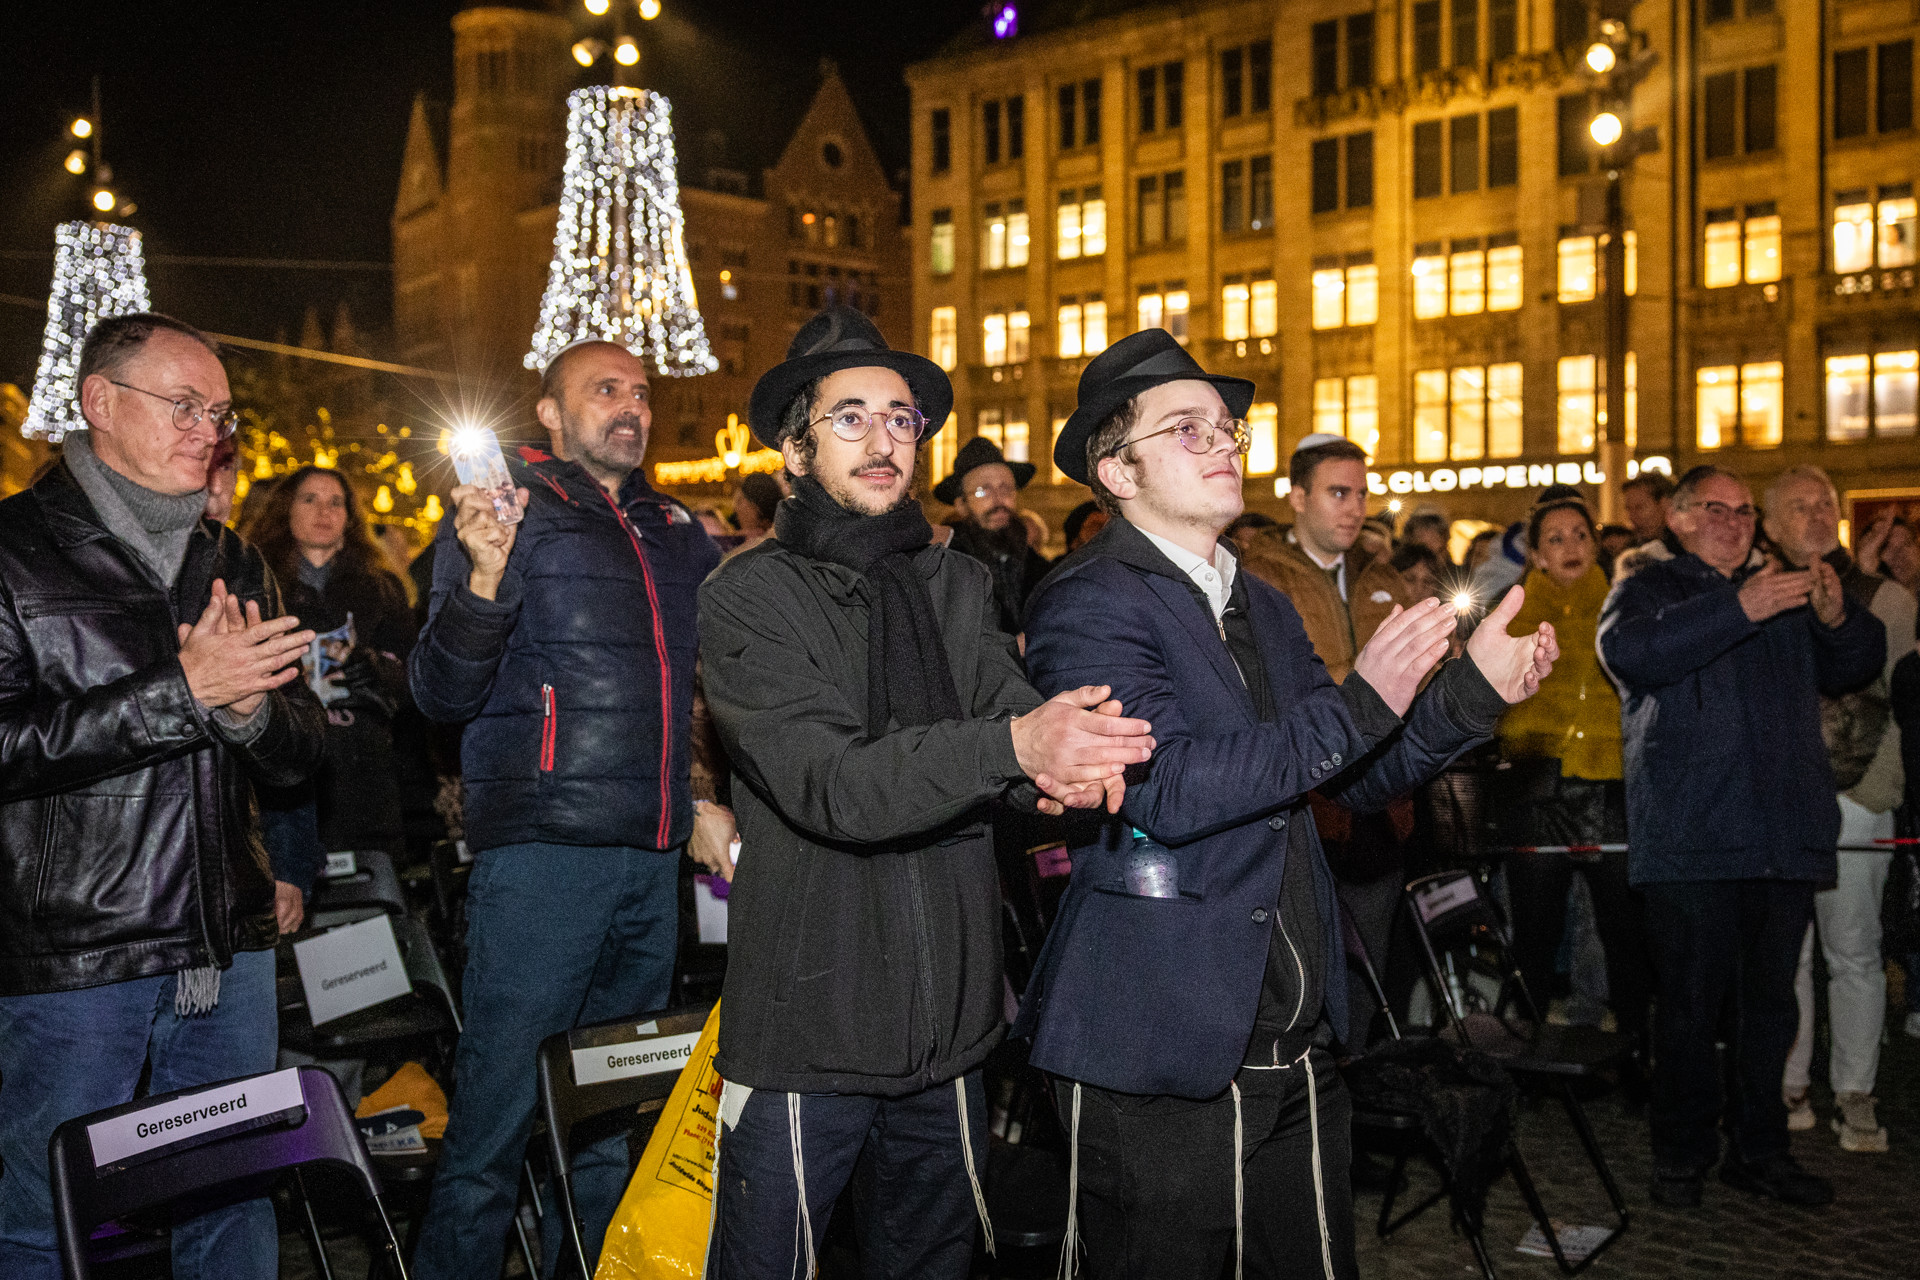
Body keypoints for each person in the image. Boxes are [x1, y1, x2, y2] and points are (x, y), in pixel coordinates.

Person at [1019, 329, 1557, 1280]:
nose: (1225, 442)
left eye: (1227, 426)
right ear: (1117, 469)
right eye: (1188, 429)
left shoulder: (1261, 604)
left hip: (1295, 1038)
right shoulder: (1089, 599)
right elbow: (1166, 790)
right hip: (1161, 1042)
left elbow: (1352, 778)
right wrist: (1361, 704)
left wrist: (1471, 694)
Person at [698, 307, 1156, 1279]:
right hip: (808, 1026)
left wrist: (1074, 758)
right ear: (793, 446)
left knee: (933, 1261)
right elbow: (834, 783)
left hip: (947, 1023)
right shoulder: (750, 593)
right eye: (850, 417)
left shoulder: (951, 584)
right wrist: (1016, 745)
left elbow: (1010, 724)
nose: (883, 440)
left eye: (901, 419)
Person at [0, 313, 325, 1279]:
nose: (207, 430)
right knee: (46, 1219)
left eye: (218, 412)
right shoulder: (14, 550)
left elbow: (299, 752)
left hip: (225, 943)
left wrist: (245, 715)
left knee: (230, 1209)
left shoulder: (229, 559)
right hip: (76, 953)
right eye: (183, 405)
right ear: (100, 402)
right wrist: (182, 695)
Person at [408, 338, 725, 1279]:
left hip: (650, 855)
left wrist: (697, 799)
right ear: (549, 412)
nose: (629, 406)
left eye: (639, 391)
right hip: (544, 856)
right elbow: (437, 692)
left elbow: (701, 691)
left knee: (608, 1116)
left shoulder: (675, 528)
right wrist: (483, 577)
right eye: (603, 390)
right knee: (496, 1119)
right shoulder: (504, 511)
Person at [1598, 464, 1884, 1209]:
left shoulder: (1785, 588)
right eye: (1715, 510)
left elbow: (1857, 665)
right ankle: (1682, 1158)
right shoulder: (1650, 586)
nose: (1734, 523)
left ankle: (1760, 1151)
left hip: (1780, 837)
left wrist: (1834, 618)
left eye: (1745, 512)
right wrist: (1739, 607)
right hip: (1694, 841)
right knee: (1691, 1010)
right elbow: (1632, 656)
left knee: (1770, 1013)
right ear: (1681, 519)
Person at [1241, 435, 1420, 1045]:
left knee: (1370, 964)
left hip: (1380, 800)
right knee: (1300, 970)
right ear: (1296, 497)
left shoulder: (1384, 576)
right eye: (1338, 492)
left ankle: (1363, 1096)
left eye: (1362, 493)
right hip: (1301, 802)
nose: (1354, 507)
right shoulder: (1255, 578)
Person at [1765, 466, 1913, 1153]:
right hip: (1778, 803)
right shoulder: (1757, 594)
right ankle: (1790, 1081)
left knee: (1853, 952)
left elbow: (1904, 702)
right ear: (1769, 523)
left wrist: (1872, 794)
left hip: (1854, 801)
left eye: (1826, 500)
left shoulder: (1884, 597)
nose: (1818, 511)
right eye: (1800, 505)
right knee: (1786, 955)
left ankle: (1856, 1089)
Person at [1493, 495, 1650, 1080]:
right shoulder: (1509, 613)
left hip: (1609, 783)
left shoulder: (1624, 602)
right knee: (1534, 934)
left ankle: (1636, 1055)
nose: (1571, 548)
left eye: (1579, 535)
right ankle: (1526, 1061)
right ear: (1534, 553)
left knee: (1622, 930)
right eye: (1554, 538)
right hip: (1538, 784)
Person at [243, 466, 417, 857]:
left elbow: (416, 677)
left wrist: (373, 667)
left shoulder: (381, 588)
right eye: (310, 499)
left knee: (372, 905)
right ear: (286, 510)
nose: (325, 511)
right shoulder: (256, 587)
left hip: (366, 778)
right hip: (285, 783)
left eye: (336, 502)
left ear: (350, 517)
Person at [935, 434, 1051, 633]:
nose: (999, 501)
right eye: (983, 491)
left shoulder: (1039, 568)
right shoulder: (945, 569)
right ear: (961, 505)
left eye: (1006, 489)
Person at [729, 470, 784, 555]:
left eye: (739, 501)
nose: (736, 508)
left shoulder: (745, 549)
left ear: (755, 507)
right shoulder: (784, 540)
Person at [1621, 471, 1674, 546]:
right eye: (1628, 509)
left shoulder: (1687, 546)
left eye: (1639, 508)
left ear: (1664, 504)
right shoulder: (1633, 548)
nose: (1631, 517)